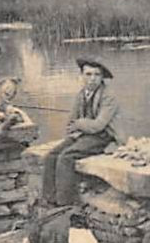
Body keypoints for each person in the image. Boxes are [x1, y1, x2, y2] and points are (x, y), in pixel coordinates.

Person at [39, 58, 120, 208]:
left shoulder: (109, 97)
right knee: (51, 156)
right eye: (88, 74)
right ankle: (49, 202)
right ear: (81, 76)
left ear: (102, 77)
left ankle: (66, 205)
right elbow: (70, 124)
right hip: (82, 135)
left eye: (96, 75)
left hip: (104, 137)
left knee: (67, 157)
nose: (92, 79)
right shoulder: (81, 94)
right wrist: (78, 128)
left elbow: (98, 126)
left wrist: (80, 124)